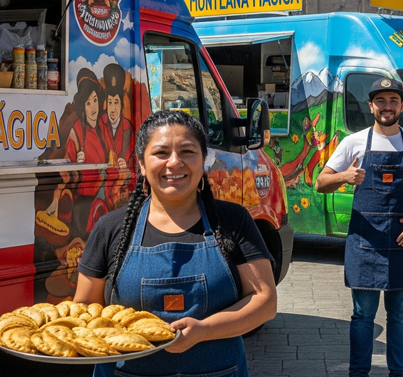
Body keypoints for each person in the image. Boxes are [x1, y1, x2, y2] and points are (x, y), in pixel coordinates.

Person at [76, 110, 277, 377]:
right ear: (142, 164)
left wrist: (204, 330)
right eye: (161, 153)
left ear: (204, 160)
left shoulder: (233, 221)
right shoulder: (111, 228)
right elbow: (85, 311)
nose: (174, 163)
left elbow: (264, 302)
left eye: (187, 151)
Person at [316, 77, 403, 377]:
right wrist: (345, 176)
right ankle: (359, 373)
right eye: (381, 101)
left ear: (401, 106)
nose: (387, 107)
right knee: (362, 316)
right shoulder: (353, 142)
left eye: (393, 101)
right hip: (364, 244)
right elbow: (321, 182)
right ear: (371, 106)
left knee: (399, 315)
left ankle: (399, 372)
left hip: (402, 242)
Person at [100, 63, 133, 167]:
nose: (113, 109)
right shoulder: (100, 124)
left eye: (116, 102)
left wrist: (127, 162)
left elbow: (134, 154)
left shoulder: (128, 128)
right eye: (110, 102)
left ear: (121, 104)